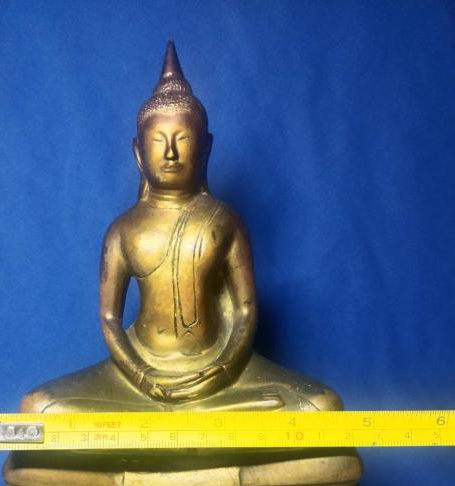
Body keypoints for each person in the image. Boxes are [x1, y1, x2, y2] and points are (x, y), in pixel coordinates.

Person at [21, 41, 341, 414]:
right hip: (138, 376)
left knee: (321, 406)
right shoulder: (123, 230)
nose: (170, 153)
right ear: (138, 153)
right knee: (40, 408)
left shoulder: (225, 220)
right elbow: (110, 320)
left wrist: (223, 370)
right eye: (158, 141)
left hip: (220, 372)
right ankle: (192, 416)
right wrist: (142, 376)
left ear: (206, 148)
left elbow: (245, 310)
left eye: (183, 140)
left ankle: (193, 412)